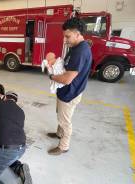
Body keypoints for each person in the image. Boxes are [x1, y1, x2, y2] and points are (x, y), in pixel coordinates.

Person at [47, 17, 92, 155]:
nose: (65, 40)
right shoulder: (76, 47)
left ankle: (63, 146)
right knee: (60, 115)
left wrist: (51, 76)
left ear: (78, 34)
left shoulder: (80, 52)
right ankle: (59, 133)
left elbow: (67, 79)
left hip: (70, 92)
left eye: (68, 36)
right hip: (66, 91)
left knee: (65, 120)